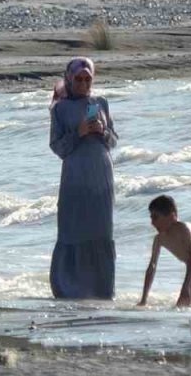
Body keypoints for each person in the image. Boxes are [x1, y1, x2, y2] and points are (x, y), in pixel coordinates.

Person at [48, 57, 117, 300]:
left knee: (101, 232)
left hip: (101, 175)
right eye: (79, 79)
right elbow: (57, 146)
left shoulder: (101, 103)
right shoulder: (60, 108)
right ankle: (68, 288)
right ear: (69, 78)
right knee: (73, 229)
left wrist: (103, 131)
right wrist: (79, 133)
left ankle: (102, 291)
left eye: (88, 79)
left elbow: (114, 141)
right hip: (75, 177)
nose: (84, 83)